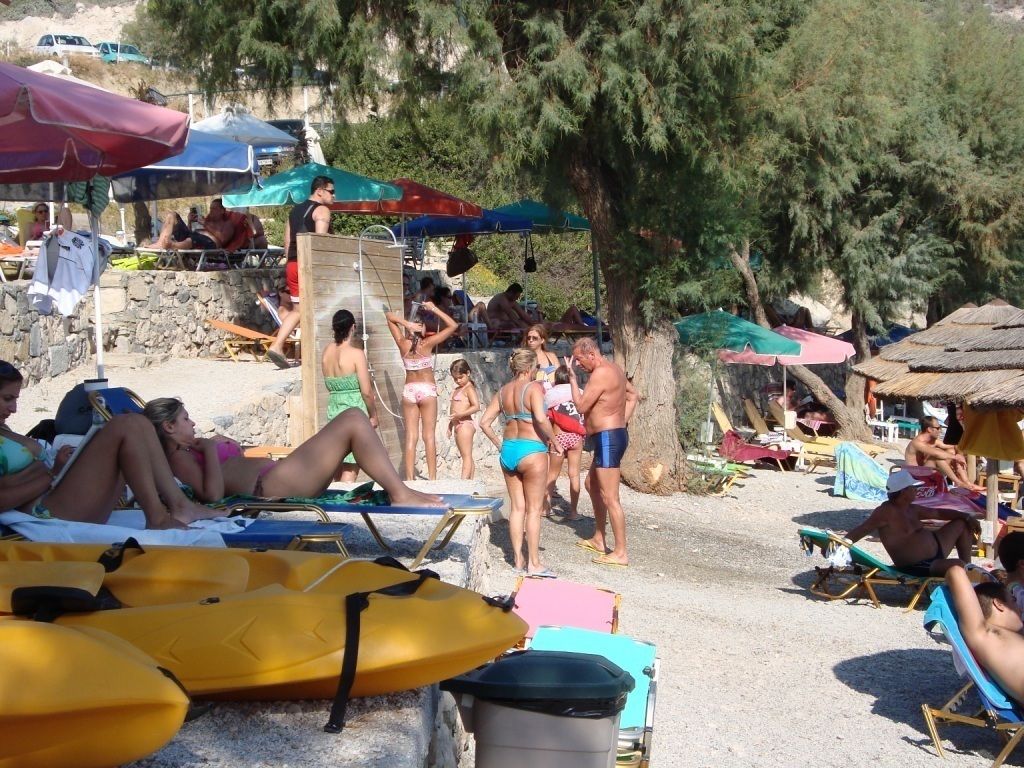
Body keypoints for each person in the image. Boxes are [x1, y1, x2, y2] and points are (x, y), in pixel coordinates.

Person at [0, 361, 215, 529]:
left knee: (138, 422)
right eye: (7, 399)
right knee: (126, 425)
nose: (14, 408)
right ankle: (159, 517)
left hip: (58, 493)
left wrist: (52, 469)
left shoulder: (4, 429)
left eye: (15, 399)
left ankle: (181, 506)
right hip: (46, 511)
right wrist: (49, 475)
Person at [143, 397, 442, 508]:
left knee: (353, 421)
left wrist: (225, 446)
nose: (192, 422)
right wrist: (210, 449)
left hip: (279, 476)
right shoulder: (177, 458)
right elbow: (212, 495)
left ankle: (399, 490)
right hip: (270, 487)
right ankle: (399, 492)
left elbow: (231, 465)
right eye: (185, 419)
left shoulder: (190, 447)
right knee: (352, 418)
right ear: (168, 427)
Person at [480, 348, 563, 577]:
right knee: (534, 510)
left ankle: (518, 559)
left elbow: (484, 422)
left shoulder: (503, 391)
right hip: (532, 449)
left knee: (517, 507)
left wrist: (499, 444)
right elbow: (540, 418)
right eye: (536, 367)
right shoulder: (533, 388)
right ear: (528, 368)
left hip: (509, 451)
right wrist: (554, 441)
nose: (538, 371)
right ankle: (534, 563)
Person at [567, 336, 638, 567]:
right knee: (591, 484)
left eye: (578, 360)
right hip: (609, 435)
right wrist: (622, 421)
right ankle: (599, 538)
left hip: (608, 438)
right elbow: (632, 394)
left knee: (610, 497)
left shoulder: (600, 374)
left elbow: (580, 406)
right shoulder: (615, 369)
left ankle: (621, 552)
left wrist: (571, 380)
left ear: (591, 354)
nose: (577, 364)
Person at [844, 469, 978, 576]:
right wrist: (841, 544)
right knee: (958, 565)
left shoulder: (912, 508)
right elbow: (862, 529)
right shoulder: (886, 512)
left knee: (962, 523)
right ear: (903, 491)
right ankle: (968, 576)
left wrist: (967, 516)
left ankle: (969, 570)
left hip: (937, 549)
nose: (916, 490)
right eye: (913, 487)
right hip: (917, 566)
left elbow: (937, 513)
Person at [385, 301, 459, 481]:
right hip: (426, 389)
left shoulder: (403, 343)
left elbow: (388, 316)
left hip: (409, 390)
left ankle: (410, 479)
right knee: (429, 436)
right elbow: (453, 325)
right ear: (422, 328)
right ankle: (432, 479)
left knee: (411, 436)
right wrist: (434, 308)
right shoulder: (427, 344)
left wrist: (405, 324)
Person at [267, 175, 335, 369]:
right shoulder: (322, 210)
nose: (334, 196)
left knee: (299, 310)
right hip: (309, 265)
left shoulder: (294, 211)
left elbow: (287, 242)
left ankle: (277, 345)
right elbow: (319, 242)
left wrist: (290, 264)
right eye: (331, 191)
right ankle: (321, 354)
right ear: (319, 191)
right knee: (322, 307)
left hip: (292, 264)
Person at [944, 563, 1024, 704]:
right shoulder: (985, 634)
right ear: (999, 604)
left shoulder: (1009, 636)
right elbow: (956, 572)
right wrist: (982, 575)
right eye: (1014, 600)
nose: (1019, 608)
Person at [322, 309, 378, 482]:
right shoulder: (356, 354)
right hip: (354, 410)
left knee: (337, 463)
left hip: (334, 408)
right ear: (353, 327)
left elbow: (328, 382)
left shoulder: (327, 351)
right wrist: (374, 415)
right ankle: (344, 507)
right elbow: (367, 392)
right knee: (351, 467)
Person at [544, 365, 585, 520]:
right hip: (576, 437)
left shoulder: (551, 394)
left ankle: (546, 509)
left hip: (558, 437)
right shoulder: (579, 392)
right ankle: (574, 512)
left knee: (552, 474)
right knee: (574, 474)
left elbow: (544, 417)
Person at [905, 416, 984, 492]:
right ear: (929, 429)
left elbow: (954, 445)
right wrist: (955, 457)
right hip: (915, 474)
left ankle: (967, 483)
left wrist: (959, 454)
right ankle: (959, 483)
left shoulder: (933, 441)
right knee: (936, 457)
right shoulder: (917, 443)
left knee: (951, 451)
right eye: (938, 428)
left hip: (926, 471)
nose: (940, 431)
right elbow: (936, 454)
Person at [150, 199, 235, 251]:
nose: (211, 211)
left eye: (214, 209)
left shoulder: (228, 224)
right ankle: (160, 243)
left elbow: (223, 239)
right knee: (172, 215)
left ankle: (172, 245)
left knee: (194, 238)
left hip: (210, 244)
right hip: (194, 239)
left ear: (222, 211)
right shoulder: (208, 220)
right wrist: (189, 222)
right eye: (210, 209)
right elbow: (189, 233)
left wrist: (205, 224)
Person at [447, 359, 480, 480]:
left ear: (468, 373)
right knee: (466, 456)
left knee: (466, 456)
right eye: (455, 379)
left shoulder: (469, 388)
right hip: (457, 425)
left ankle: (463, 483)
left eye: (460, 377)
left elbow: (476, 406)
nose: (458, 381)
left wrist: (460, 415)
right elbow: (453, 410)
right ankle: (470, 482)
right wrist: (450, 426)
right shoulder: (458, 389)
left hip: (465, 424)